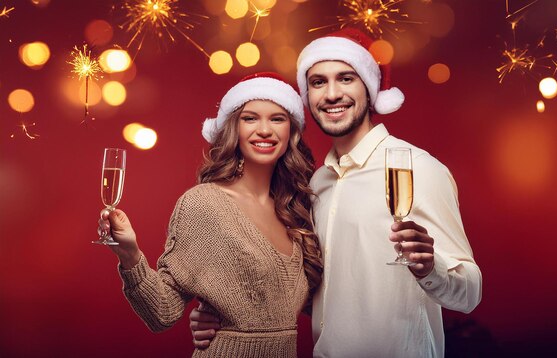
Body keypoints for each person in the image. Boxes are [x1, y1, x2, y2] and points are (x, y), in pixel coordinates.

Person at [191, 28, 482, 357]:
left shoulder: (418, 169)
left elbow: (470, 292)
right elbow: (317, 297)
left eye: (346, 78)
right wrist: (223, 314)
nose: (331, 94)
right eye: (318, 82)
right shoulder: (316, 184)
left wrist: (431, 268)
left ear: (369, 89)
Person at [100, 72, 323, 357]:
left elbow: (313, 304)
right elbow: (162, 312)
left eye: (277, 118)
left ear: (291, 130)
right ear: (233, 128)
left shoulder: (295, 208)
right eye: (250, 118)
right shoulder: (204, 205)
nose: (265, 130)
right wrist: (129, 254)